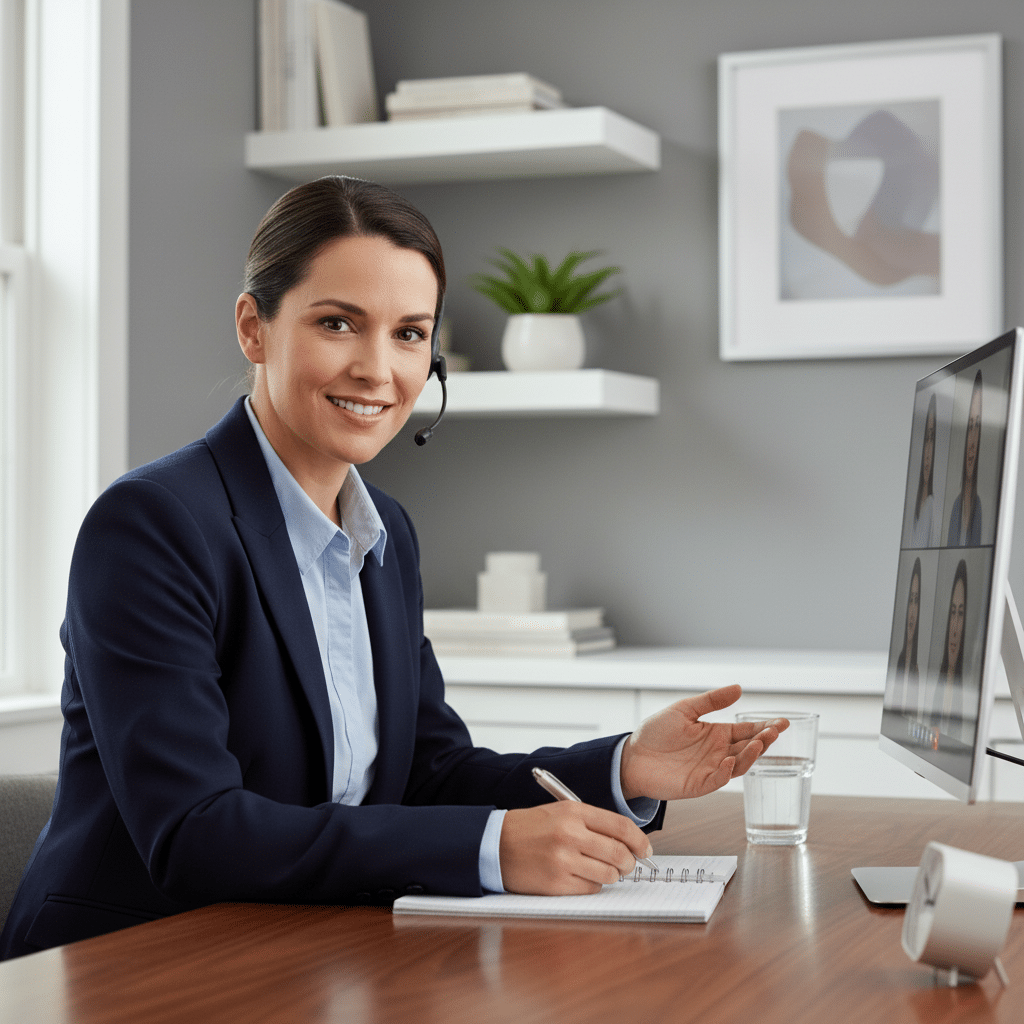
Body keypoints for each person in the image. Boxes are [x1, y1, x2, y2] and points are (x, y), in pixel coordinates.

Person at [0, 177, 785, 960]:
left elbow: (429, 772)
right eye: (339, 323)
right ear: (254, 327)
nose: (379, 369)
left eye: (410, 334)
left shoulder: (386, 534)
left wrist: (622, 766)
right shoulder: (152, 526)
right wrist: (491, 848)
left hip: (302, 948)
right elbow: (195, 832)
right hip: (133, 961)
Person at [930, 559, 968, 736]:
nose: (954, 628)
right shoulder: (936, 687)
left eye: (960, 613)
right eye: (953, 613)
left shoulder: (968, 695)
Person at [946, 371, 983, 547]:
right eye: (970, 426)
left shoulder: (979, 506)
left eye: (977, 425)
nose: (972, 441)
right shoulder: (955, 506)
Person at [889, 557, 922, 715]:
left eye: (916, 601)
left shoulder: (919, 668)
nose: (912, 611)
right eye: (910, 600)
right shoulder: (900, 661)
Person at [909, 395, 938, 548]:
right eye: (926, 439)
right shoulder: (911, 505)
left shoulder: (931, 506)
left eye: (932, 439)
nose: (928, 452)